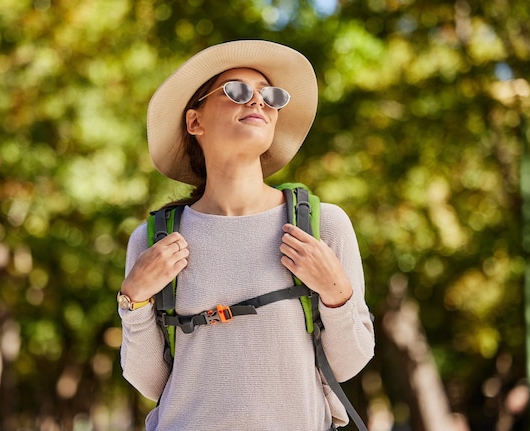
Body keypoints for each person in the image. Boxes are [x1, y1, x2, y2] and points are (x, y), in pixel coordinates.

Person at [118, 40, 375, 431]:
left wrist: (336, 292)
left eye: (270, 96)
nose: (259, 103)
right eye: (237, 91)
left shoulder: (325, 227)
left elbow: (351, 362)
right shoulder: (153, 240)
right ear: (195, 122)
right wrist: (133, 300)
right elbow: (151, 383)